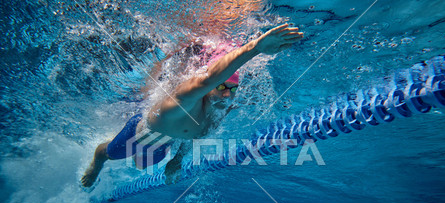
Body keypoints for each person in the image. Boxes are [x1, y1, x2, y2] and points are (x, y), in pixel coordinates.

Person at [81, 23, 303, 187]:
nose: (227, 96)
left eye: (232, 90)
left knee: (141, 166)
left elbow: (193, 136)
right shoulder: (184, 100)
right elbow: (208, 79)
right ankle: (96, 162)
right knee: (109, 153)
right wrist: (255, 48)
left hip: (162, 146)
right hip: (140, 136)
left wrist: (178, 160)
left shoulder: (220, 108)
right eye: (222, 87)